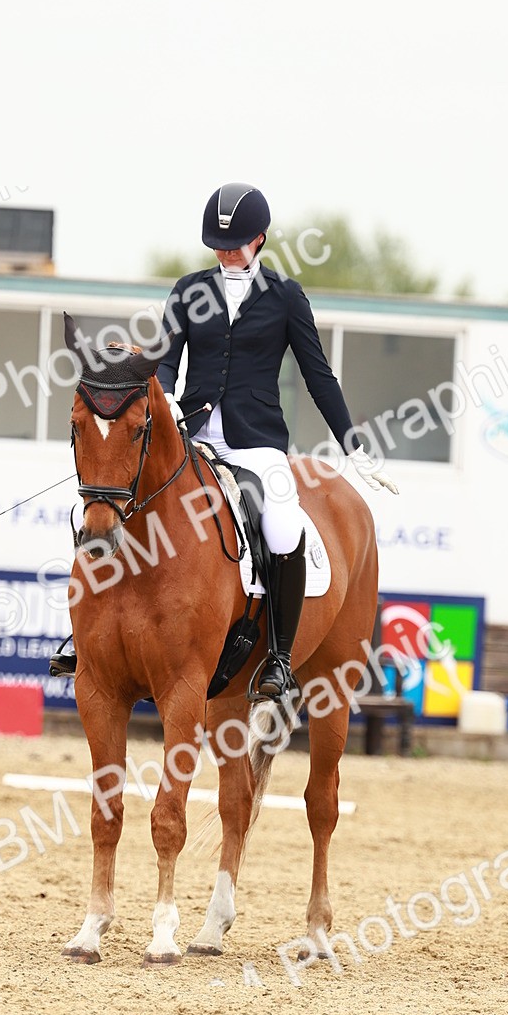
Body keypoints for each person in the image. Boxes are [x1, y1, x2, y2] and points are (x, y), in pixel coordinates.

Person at [154, 182, 398, 700]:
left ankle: (280, 659)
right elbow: (166, 357)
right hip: (191, 433)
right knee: (125, 498)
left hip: (256, 441)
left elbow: (318, 375)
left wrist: (354, 446)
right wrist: (165, 396)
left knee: (284, 527)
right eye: (217, 243)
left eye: (235, 243)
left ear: (259, 239)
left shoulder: (285, 296)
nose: (224, 251)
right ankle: (90, 637)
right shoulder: (187, 290)